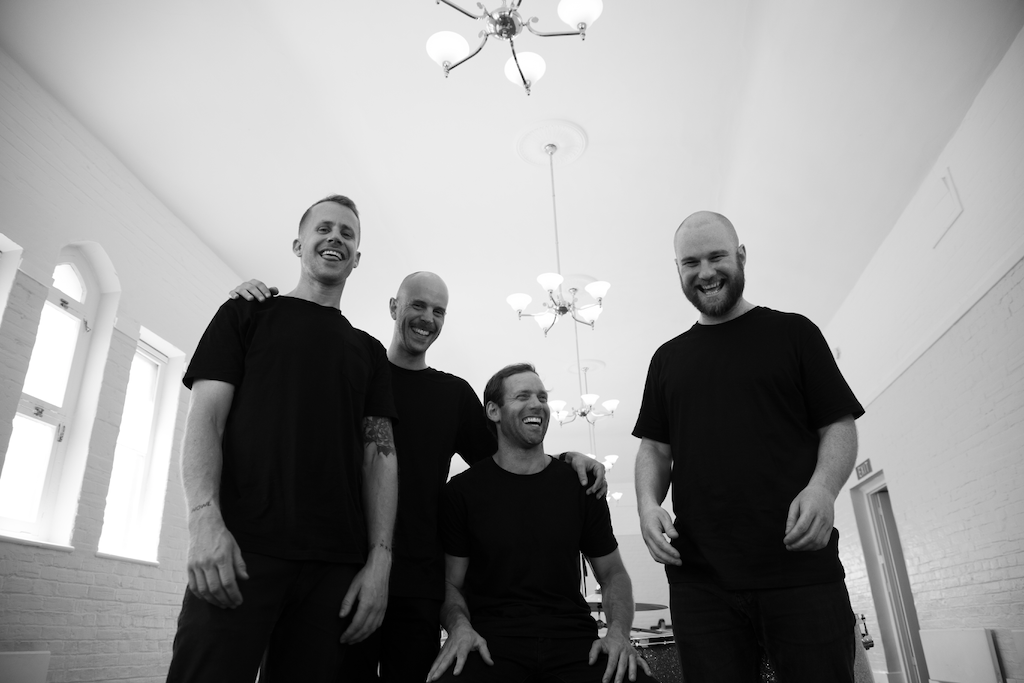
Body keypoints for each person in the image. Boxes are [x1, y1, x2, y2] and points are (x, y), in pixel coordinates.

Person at [230, 272, 606, 682]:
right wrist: (256, 304)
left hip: (419, 583)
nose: (428, 318)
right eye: (418, 305)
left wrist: (565, 458)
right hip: (342, 571)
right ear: (394, 307)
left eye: (438, 311)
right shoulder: (354, 375)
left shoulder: (453, 395)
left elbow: (508, 458)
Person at [165, 195, 399, 683]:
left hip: (335, 569)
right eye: (324, 228)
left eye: (348, 234)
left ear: (357, 258)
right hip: (239, 550)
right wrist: (203, 519)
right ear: (298, 244)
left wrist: (380, 561)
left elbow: (379, 457)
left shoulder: (370, 352)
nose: (335, 238)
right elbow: (206, 419)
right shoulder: (246, 314)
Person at [633, 211, 865, 682]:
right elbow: (654, 449)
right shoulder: (667, 359)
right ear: (677, 269)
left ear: (741, 256)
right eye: (690, 262)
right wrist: (647, 505)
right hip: (701, 582)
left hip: (799, 568)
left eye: (716, 257)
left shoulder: (795, 333)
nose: (705, 272)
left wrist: (823, 489)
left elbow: (838, 425)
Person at [427, 363, 655, 683]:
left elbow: (613, 573)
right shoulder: (462, 492)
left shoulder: (581, 485)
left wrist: (618, 633)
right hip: (492, 643)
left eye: (542, 397)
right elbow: (451, 583)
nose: (537, 404)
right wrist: (459, 627)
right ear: (493, 411)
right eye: (523, 396)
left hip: (574, 642)